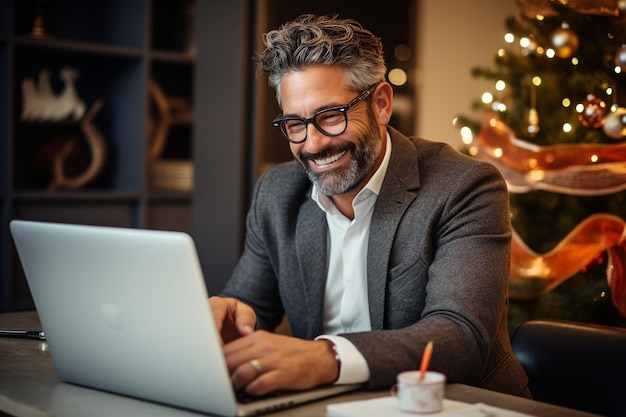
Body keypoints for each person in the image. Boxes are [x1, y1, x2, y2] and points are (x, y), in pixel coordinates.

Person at [209, 13, 531, 399]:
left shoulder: (464, 187)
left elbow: (460, 336)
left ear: (380, 103)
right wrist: (231, 312)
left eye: (330, 116)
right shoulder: (277, 193)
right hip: (326, 406)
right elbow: (251, 304)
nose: (312, 144)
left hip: (452, 406)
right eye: (295, 124)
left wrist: (324, 359)